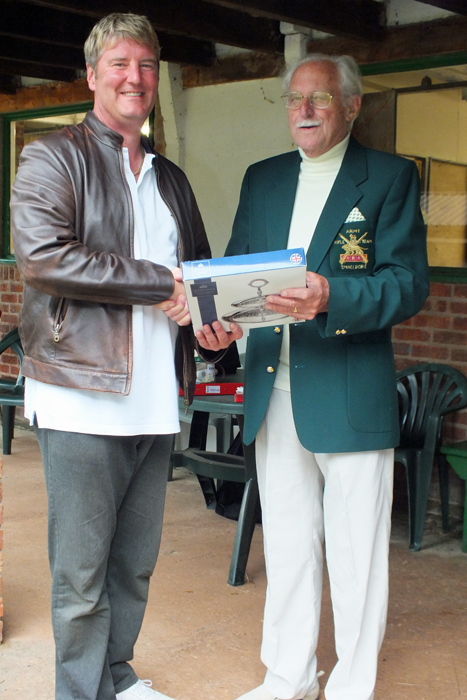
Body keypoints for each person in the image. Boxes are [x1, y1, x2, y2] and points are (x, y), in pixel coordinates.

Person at [197, 54, 429, 700]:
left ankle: (351, 686)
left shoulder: (386, 179)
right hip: (275, 389)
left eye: (319, 99)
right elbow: (236, 276)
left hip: (349, 391)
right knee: (291, 545)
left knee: (356, 558)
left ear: (351, 107)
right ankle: (288, 677)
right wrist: (217, 323)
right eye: (294, 99)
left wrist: (331, 298)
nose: (303, 110)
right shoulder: (263, 179)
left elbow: (407, 286)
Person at [11, 13, 210, 700]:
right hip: (81, 391)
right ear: (93, 75)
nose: (135, 76)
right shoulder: (51, 155)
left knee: (132, 566)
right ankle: (79, 691)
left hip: (154, 395)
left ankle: (115, 679)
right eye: (120, 63)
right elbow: (43, 258)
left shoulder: (168, 177)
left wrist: (211, 323)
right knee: (80, 572)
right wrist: (161, 285)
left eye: (147, 64)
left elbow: (199, 274)